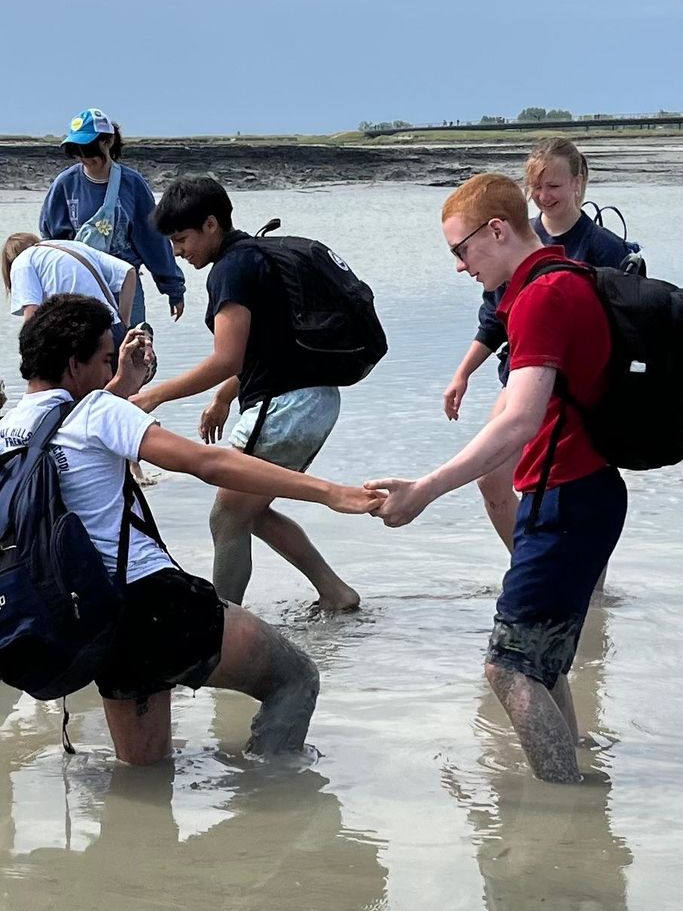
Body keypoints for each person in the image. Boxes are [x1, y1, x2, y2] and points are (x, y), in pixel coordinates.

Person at [0, 294, 383, 764]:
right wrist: (329, 492)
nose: (107, 375)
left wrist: (124, 383)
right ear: (74, 366)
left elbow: (74, 436)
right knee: (295, 678)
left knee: (143, 772)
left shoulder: (9, 429)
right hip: (152, 603)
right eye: (103, 360)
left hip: (90, 617)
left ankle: (147, 835)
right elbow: (209, 462)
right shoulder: (97, 410)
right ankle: (268, 811)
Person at [366, 173, 628, 783]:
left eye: (461, 250)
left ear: (497, 230)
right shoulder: (559, 277)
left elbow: (519, 422)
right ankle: (580, 802)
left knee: (508, 668)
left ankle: (564, 804)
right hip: (582, 494)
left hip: (564, 500)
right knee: (542, 665)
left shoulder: (542, 296)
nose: (459, 266)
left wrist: (424, 490)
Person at [131, 175, 361, 613]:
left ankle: (222, 629)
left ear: (212, 225)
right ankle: (335, 593)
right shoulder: (253, 256)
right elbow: (268, 347)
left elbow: (227, 358)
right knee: (248, 511)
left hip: (287, 405)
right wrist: (222, 397)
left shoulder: (231, 270)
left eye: (182, 240)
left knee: (226, 515)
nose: (178, 252)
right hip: (313, 399)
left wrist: (152, 396)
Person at [443, 139, 638, 564]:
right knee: (492, 479)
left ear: (577, 183)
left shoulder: (604, 249)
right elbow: (493, 319)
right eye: (535, 185)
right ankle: (531, 563)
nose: (544, 196)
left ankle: (585, 591)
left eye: (553, 185)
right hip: (521, 374)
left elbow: (621, 330)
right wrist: (463, 373)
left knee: (573, 489)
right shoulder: (516, 237)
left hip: (578, 393)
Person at [39, 108, 186, 325]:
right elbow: (51, 242)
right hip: (78, 289)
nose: (84, 157)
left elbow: (153, 240)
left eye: (88, 149)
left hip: (125, 287)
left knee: (132, 350)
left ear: (108, 141)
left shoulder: (132, 184)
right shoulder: (64, 184)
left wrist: (173, 288)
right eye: (76, 150)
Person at [2, 231, 136, 332]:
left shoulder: (22, 261)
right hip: (111, 327)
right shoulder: (75, 246)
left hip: (78, 335)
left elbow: (32, 315)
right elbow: (128, 273)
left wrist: (27, 356)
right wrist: (124, 324)